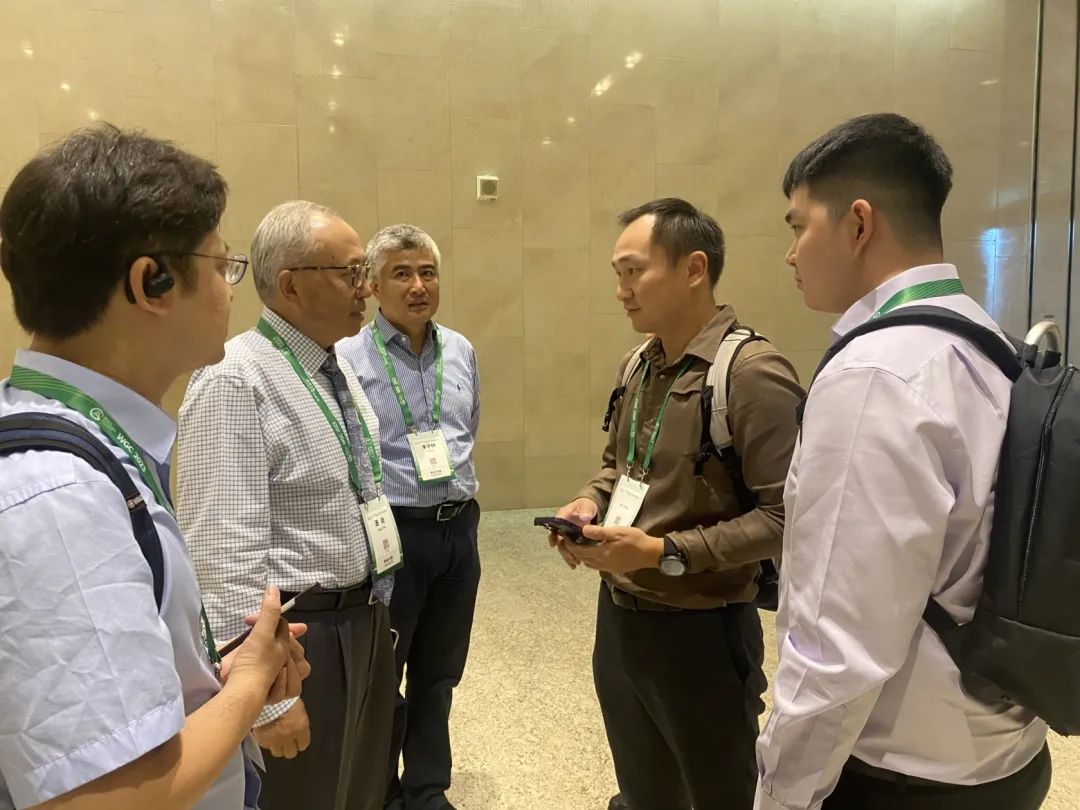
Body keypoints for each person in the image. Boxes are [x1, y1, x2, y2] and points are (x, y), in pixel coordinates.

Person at [0, 124, 309, 810]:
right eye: (222, 266)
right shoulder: (57, 497)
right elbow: (105, 797)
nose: (231, 291)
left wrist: (206, 679)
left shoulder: (87, 444)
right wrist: (250, 685)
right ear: (153, 282)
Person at [753, 113, 1051, 810]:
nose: (790, 254)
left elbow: (839, 648)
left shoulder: (875, 375)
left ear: (858, 224)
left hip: (903, 779)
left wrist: (782, 795)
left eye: (798, 226)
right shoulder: (988, 342)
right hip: (1008, 755)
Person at [551, 198, 805, 810]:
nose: (621, 291)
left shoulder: (751, 373)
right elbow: (618, 468)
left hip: (703, 631)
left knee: (718, 791)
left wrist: (664, 552)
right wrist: (587, 503)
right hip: (620, 619)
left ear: (694, 269)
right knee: (644, 789)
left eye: (634, 272)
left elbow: (786, 518)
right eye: (618, 274)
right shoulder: (639, 365)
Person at [177, 201, 398, 810]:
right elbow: (219, 552)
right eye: (352, 273)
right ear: (291, 285)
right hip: (298, 642)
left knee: (356, 793)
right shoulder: (236, 379)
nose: (368, 289)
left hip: (363, 620)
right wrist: (264, 699)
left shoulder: (335, 367)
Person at [338, 225, 481, 810]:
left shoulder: (461, 350)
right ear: (373, 285)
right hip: (393, 532)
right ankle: (378, 792)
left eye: (428, 272)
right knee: (384, 673)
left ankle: (426, 790)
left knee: (439, 672)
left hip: (459, 528)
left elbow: (470, 429)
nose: (418, 285)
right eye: (402, 273)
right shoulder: (348, 357)